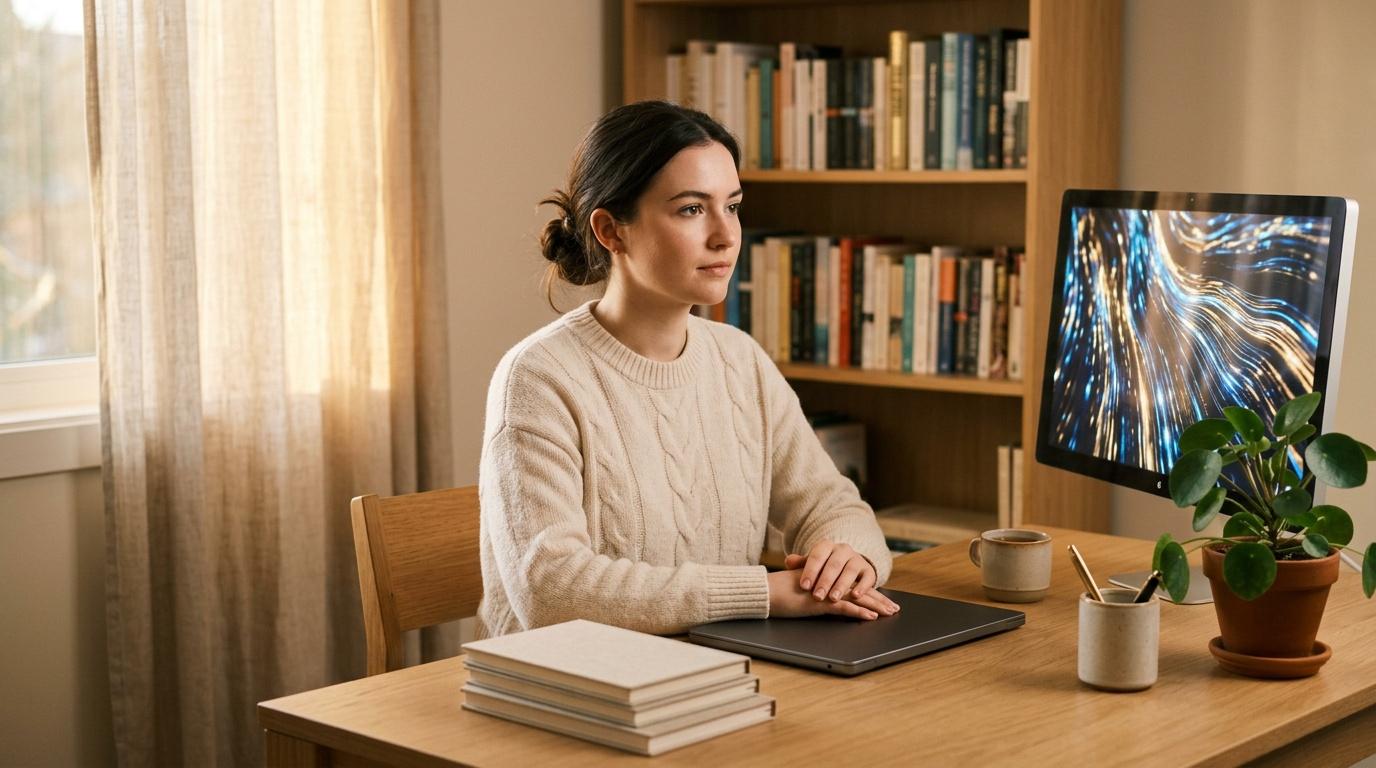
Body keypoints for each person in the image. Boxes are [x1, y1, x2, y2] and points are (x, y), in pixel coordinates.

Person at [476, 100, 898, 638]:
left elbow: (834, 505)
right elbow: (552, 592)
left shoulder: (738, 359)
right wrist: (763, 592)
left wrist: (848, 558)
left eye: (733, 206)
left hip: (716, 671)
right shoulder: (537, 379)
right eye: (691, 209)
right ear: (611, 230)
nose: (726, 236)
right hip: (567, 692)